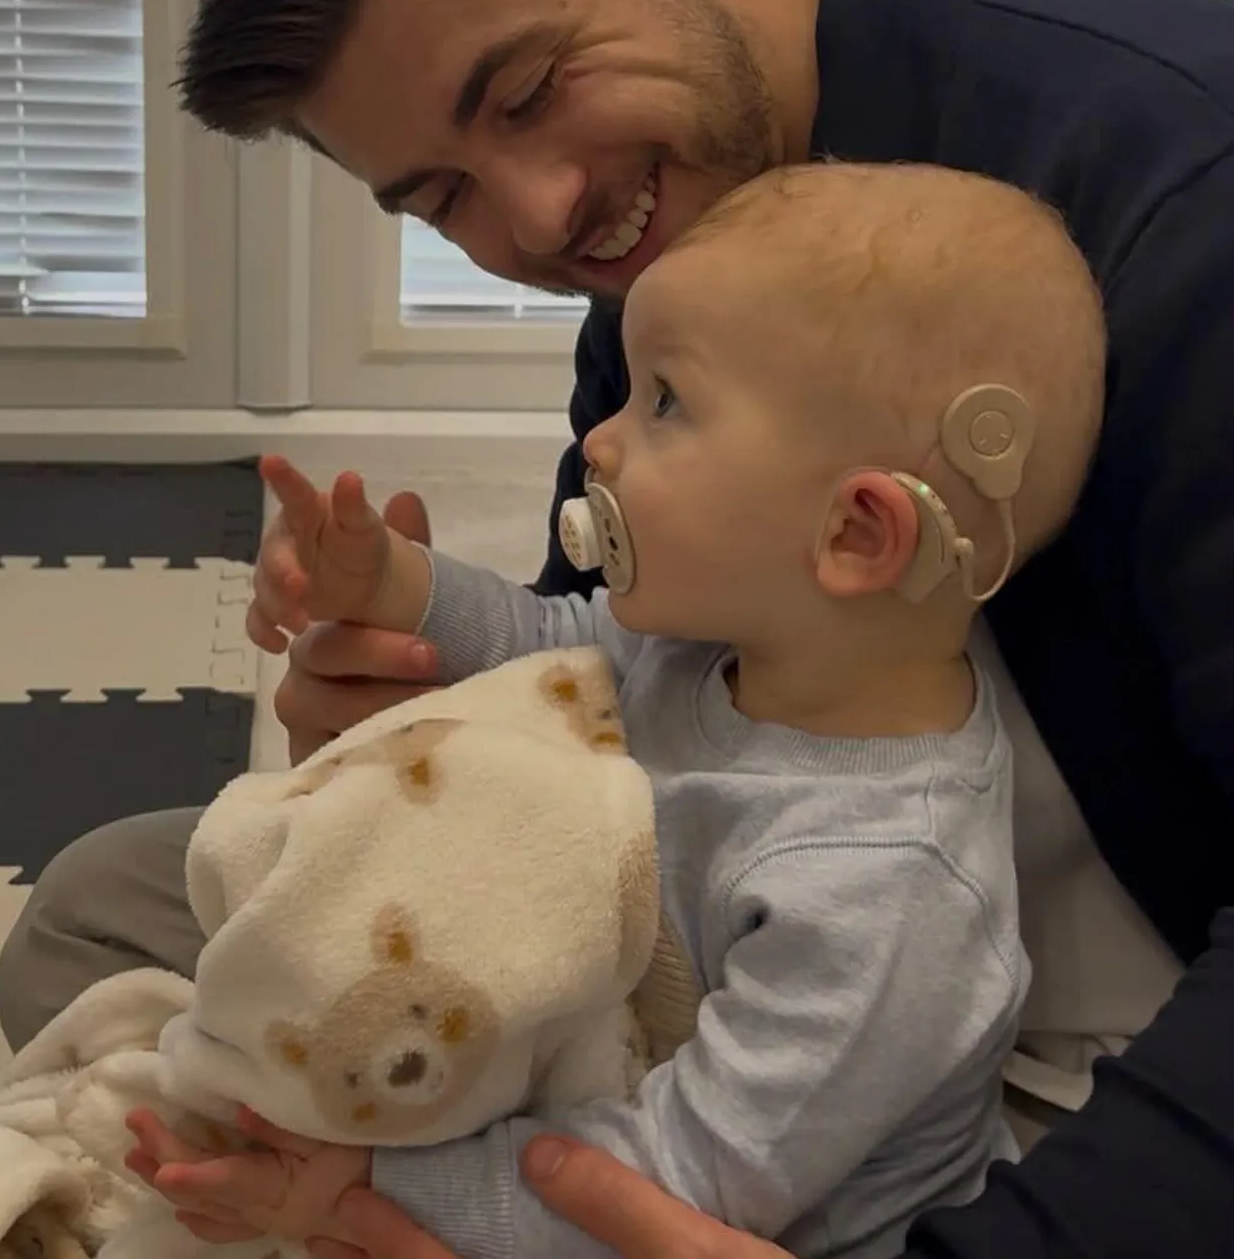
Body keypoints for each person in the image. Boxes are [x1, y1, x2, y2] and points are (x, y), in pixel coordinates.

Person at [0, 0, 1234, 1249]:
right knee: (112, 907)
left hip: (1018, 1112)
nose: (536, 215)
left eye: (524, 91)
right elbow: (609, 659)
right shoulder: (665, 255)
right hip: (696, 963)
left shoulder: (1186, 199)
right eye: (438, 194)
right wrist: (425, 713)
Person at [125, 160, 1104, 1259]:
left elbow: (674, 1181)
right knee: (107, 914)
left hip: (651, 1213)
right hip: (558, 1067)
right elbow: (550, 647)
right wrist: (390, 584)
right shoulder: (717, 643)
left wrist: (360, 1187)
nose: (603, 440)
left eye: (669, 401)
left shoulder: (889, 890)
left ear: (855, 535)